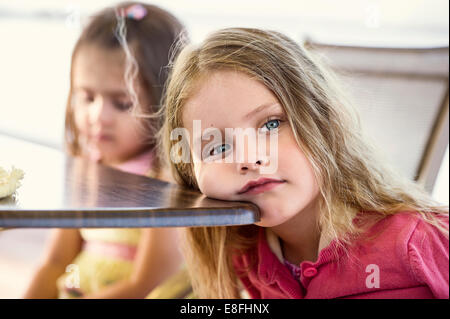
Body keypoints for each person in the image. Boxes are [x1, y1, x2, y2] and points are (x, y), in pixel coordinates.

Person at [159, 28, 449, 299]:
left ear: (326, 122)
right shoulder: (247, 255)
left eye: (271, 124)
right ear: (191, 175)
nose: (249, 159)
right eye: (218, 147)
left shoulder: (420, 240)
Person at [24, 2, 187, 298]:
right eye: (86, 97)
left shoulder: (166, 178)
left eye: (122, 103)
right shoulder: (85, 167)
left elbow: (147, 283)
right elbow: (55, 262)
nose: (98, 116)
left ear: (166, 99)